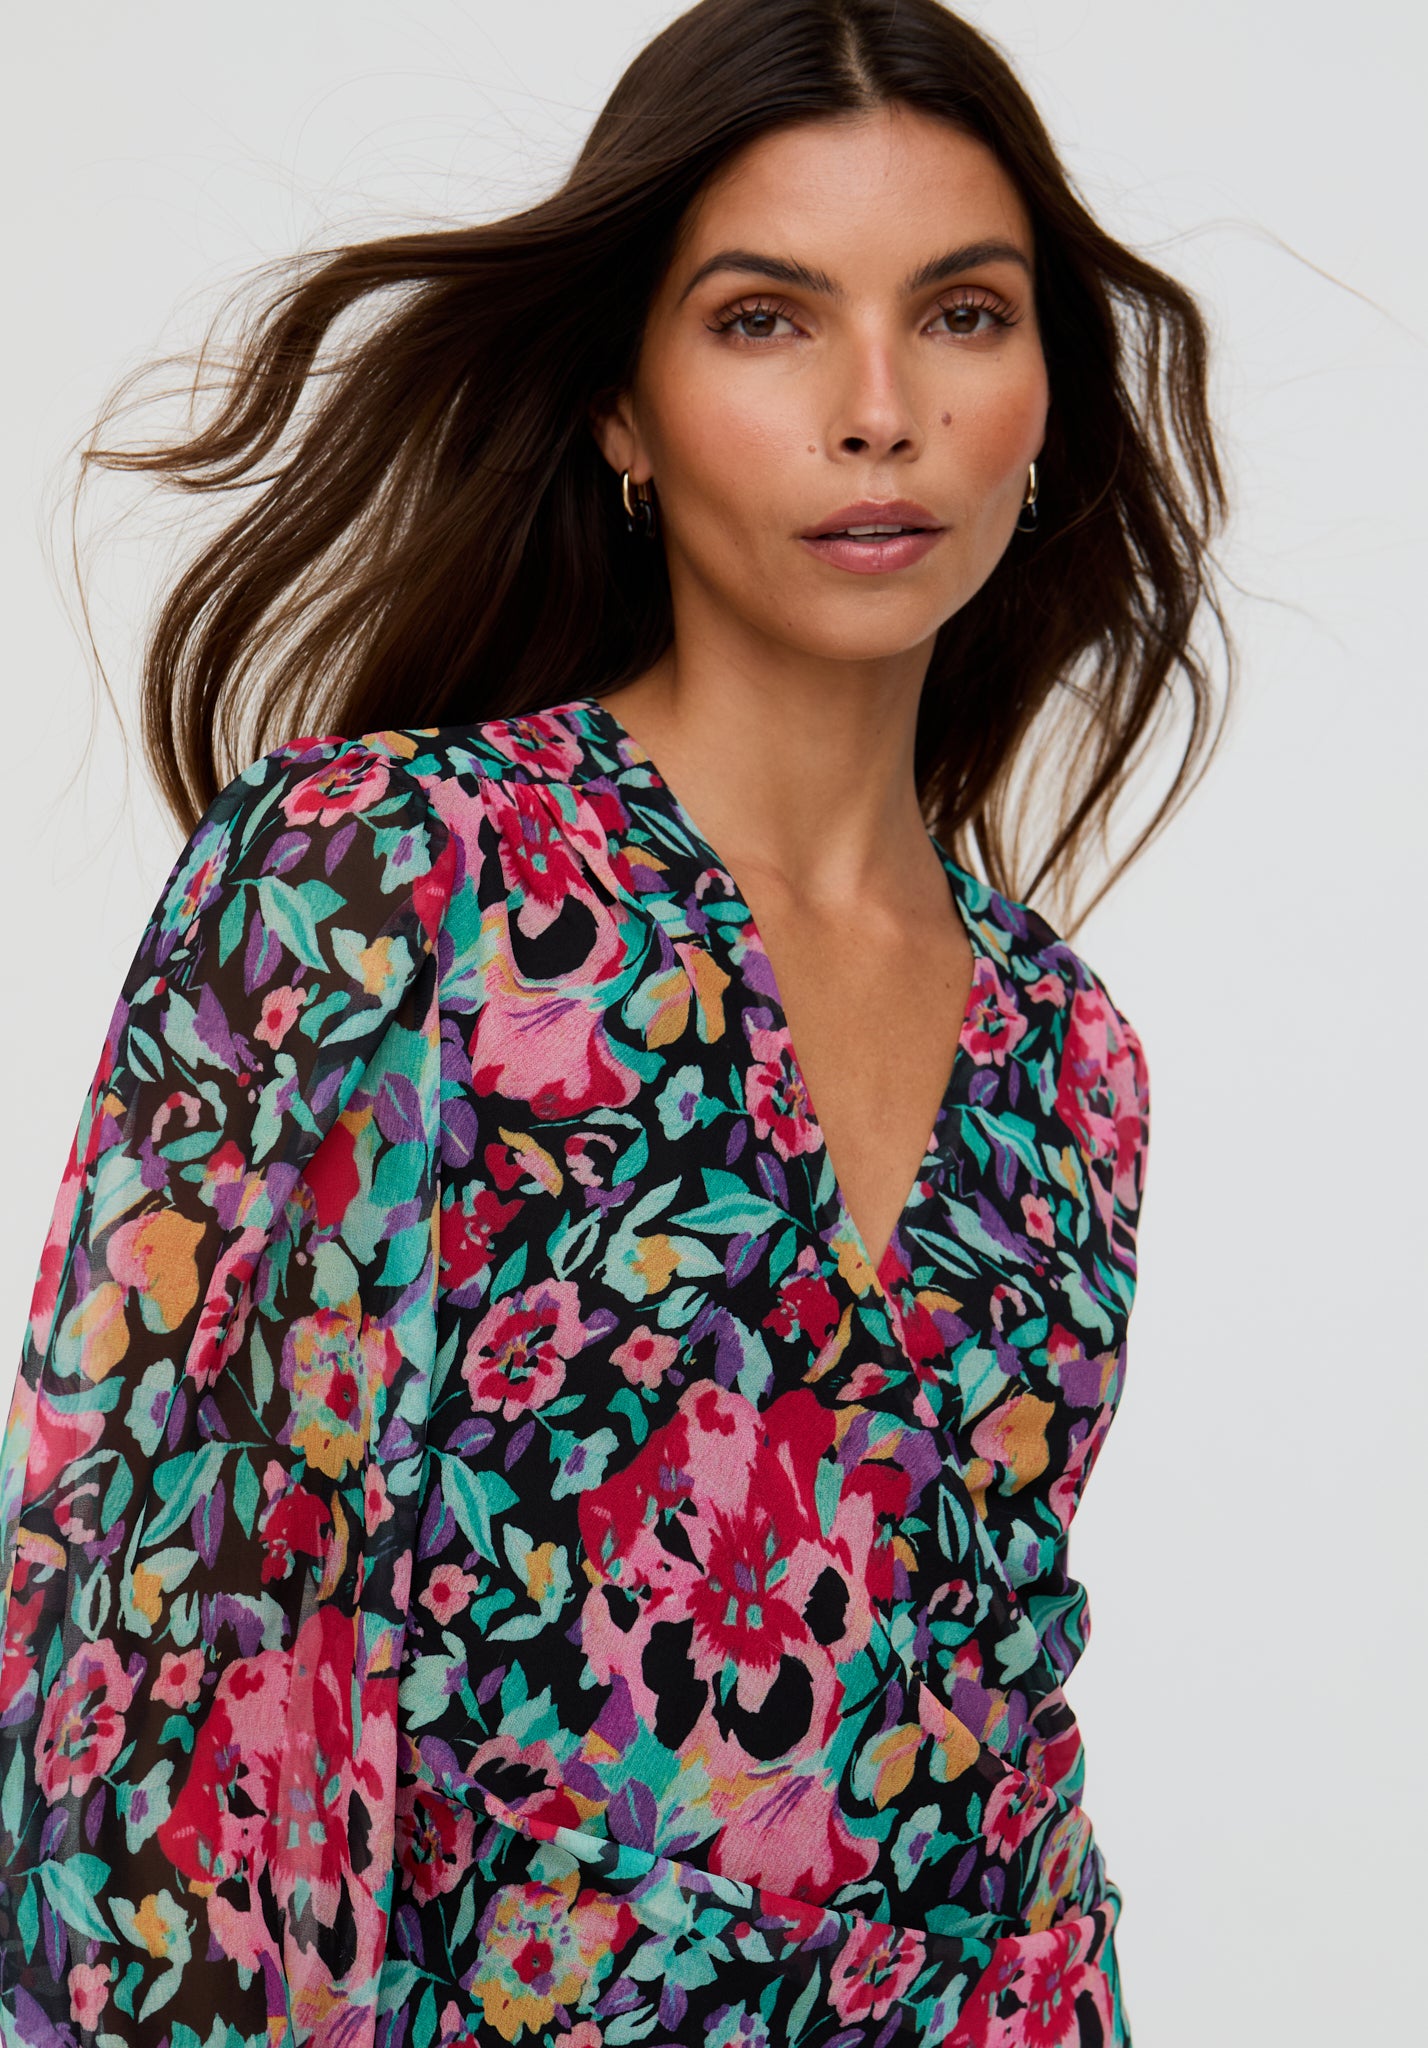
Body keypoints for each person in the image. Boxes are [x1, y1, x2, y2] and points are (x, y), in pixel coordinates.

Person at [0, 1, 1229, 2042]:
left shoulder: (1064, 1057)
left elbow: (997, 1770)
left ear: (1046, 402)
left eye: (961, 315)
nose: (875, 408)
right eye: (765, 319)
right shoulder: (391, 878)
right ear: (624, 412)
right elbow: (165, 1696)